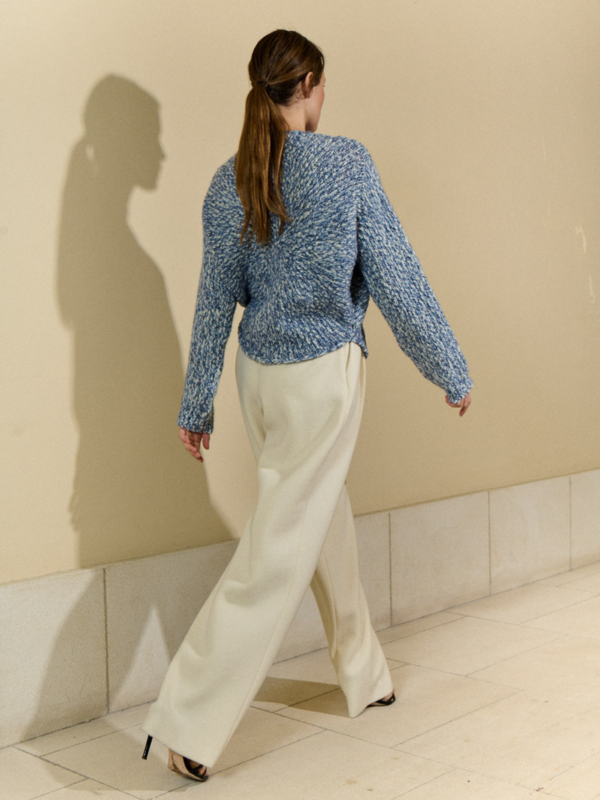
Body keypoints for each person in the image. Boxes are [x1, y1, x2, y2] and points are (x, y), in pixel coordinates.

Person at [141, 28, 473, 782]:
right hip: (322, 379)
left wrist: (197, 404)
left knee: (321, 516)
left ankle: (364, 670)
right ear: (311, 85)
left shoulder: (230, 178)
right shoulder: (345, 163)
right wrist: (449, 368)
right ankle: (188, 721)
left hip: (258, 380)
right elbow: (396, 277)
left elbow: (213, 299)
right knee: (276, 554)